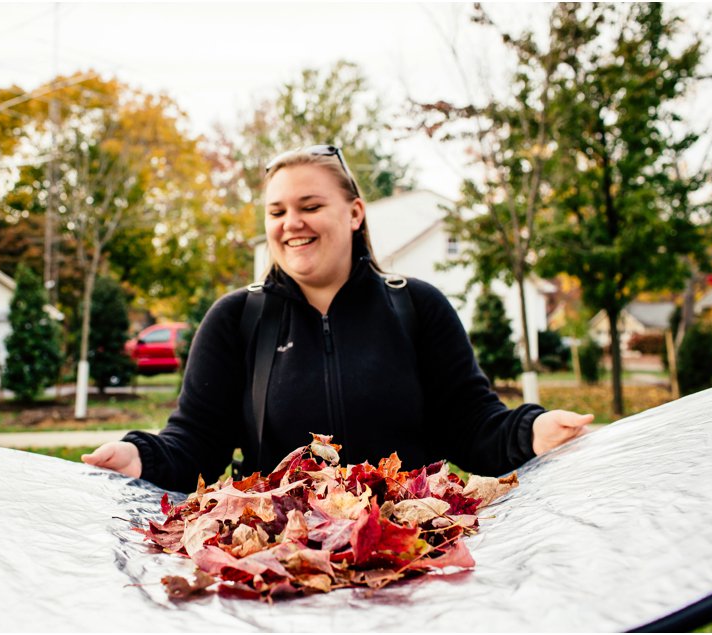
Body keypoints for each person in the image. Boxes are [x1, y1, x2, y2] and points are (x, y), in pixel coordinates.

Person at [82, 145, 593, 492]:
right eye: (277, 212)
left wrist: (532, 431)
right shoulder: (237, 319)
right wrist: (140, 457)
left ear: (354, 213)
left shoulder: (418, 306)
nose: (291, 224)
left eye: (309, 205)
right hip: (279, 564)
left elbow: (473, 426)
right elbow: (196, 443)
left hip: (412, 556)